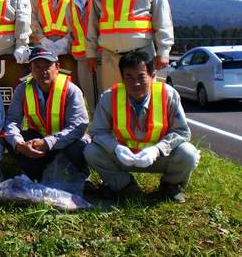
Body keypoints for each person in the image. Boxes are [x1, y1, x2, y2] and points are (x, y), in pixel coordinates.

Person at [84, 51, 200, 202]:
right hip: (125, 157)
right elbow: (97, 131)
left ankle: (170, 184)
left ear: (152, 77)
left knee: (188, 153)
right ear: (122, 78)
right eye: (129, 78)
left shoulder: (168, 95)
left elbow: (182, 132)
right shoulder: (110, 96)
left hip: (158, 157)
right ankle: (124, 185)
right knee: (91, 151)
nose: (136, 83)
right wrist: (116, 148)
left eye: (141, 77)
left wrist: (157, 150)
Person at [4, 47, 91, 184]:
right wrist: (20, 144)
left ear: (57, 67)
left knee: (78, 146)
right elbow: (12, 121)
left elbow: (78, 126)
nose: (42, 71)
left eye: (47, 66)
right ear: (30, 69)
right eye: (37, 67)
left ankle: (83, 177)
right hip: (38, 140)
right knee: (9, 140)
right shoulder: (22, 89)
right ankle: (38, 175)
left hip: (66, 141)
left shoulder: (71, 90)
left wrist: (48, 142)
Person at [65, 0, 103, 111]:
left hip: (102, 55)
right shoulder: (70, 5)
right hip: (82, 59)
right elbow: (72, 32)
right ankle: (96, 131)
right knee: (91, 101)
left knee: (107, 99)